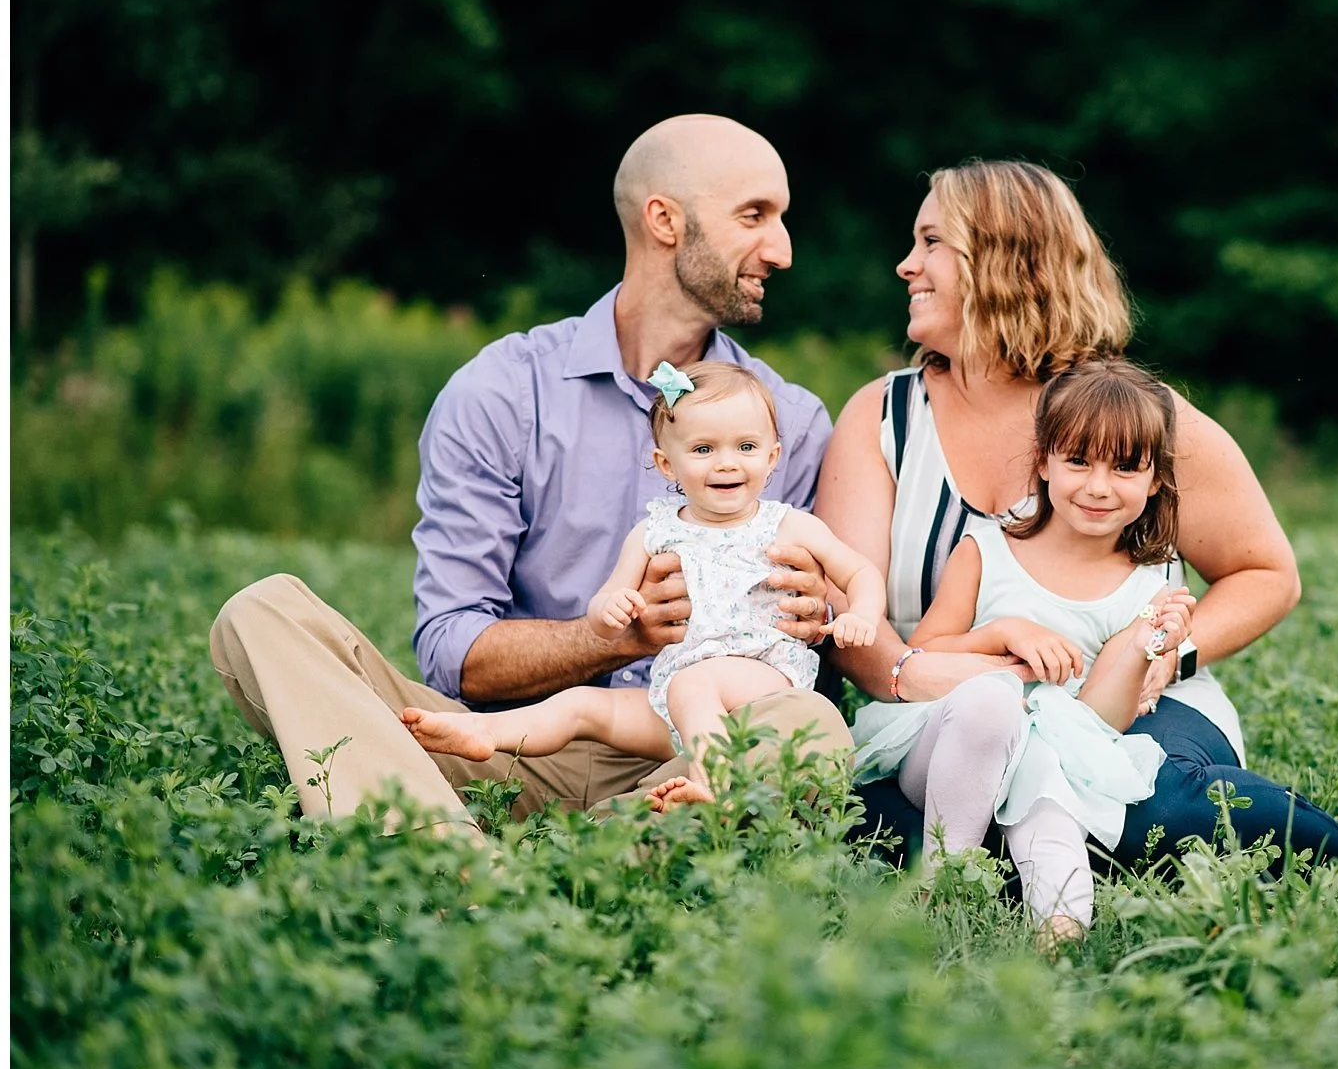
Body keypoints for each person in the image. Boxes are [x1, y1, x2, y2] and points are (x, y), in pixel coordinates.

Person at [209, 114, 852, 835]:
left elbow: (823, 636)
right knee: (261, 615)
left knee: (809, 726)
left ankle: (498, 858)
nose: (783, 251)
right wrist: (608, 638)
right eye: (754, 216)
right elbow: (453, 650)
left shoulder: (792, 422)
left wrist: (821, 619)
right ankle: (474, 851)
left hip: (686, 756)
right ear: (665, 220)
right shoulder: (504, 393)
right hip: (502, 751)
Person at [814, 159, 1338, 886]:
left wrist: (1164, 654)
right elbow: (847, 612)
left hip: (1136, 709)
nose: (906, 265)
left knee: (1138, 804)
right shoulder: (883, 417)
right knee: (892, 824)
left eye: (931, 242)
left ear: (1008, 262)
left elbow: (1266, 573)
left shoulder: (1130, 413)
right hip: (953, 716)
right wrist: (926, 673)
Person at [399, 361, 885, 805]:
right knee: (583, 705)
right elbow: (607, 603)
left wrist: (861, 613)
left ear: (773, 456)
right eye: (703, 449)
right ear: (667, 463)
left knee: (696, 683)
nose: (727, 462)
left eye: (746, 447)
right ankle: (487, 733)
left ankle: (712, 781)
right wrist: (611, 610)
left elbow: (859, 571)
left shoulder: (789, 525)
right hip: (675, 701)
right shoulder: (656, 530)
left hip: (762, 687)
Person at [852, 358, 1202, 948]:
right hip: (955, 744)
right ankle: (941, 879)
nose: (1098, 486)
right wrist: (1002, 632)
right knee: (993, 700)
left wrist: (1148, 645)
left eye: (1124, 467)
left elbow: (1097, 721)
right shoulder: (987, 549)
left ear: (1155, 480)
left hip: (1052, 753)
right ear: (1043, 462)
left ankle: (1059, 935)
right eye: (1078, 461)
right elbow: (924, 656)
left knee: (1051, 801)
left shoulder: (1148, 585)